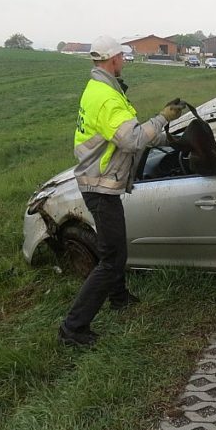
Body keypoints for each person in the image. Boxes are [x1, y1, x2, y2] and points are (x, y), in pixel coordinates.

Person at [59, 35, 185, 347]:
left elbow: (133, 133)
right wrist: (163, 118)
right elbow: (132, 141)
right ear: (113, 59)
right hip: (100, 185)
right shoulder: (107, 97)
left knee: (112, 250)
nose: (125, 61)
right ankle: (72, 328)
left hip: (99, 181)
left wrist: (169, 138)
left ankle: (119, 298)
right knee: (113, 257)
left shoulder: (100, 89)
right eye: (122, 57)